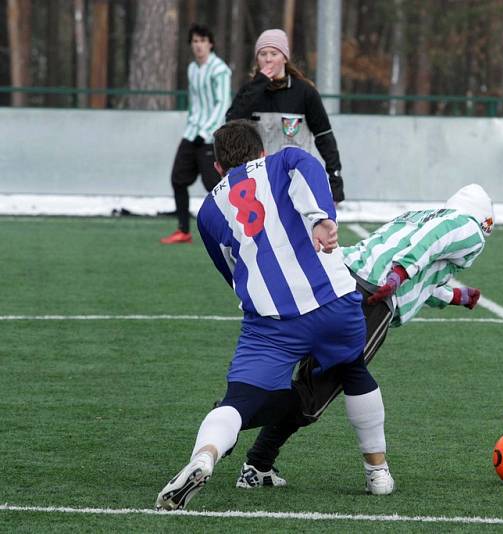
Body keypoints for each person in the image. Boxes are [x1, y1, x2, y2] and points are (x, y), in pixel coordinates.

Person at [155, 120, 393, 511]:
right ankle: (378, 474)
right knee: (353, 369)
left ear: (217, 168)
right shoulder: (285, 160)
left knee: (239, 399)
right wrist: (321, 218)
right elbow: (310, 168)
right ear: (261, 151)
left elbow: (230, 270)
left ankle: (205, 457)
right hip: (332, 303)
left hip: (271, 322)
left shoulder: (210, 209)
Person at [232, 184, 494, 489]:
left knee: (304, 379)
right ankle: (234, 416)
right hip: (367, 296)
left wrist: (454, 297)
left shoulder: (416, 216)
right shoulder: (469, 227)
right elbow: (428, 247)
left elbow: (422, 272)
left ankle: (257, 462)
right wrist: (400, 273)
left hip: (333, 276)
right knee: (314, 396)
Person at [225, 29, 345, 203]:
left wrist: (335, 181)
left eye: (274, 53)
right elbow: (231, 124)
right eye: (262, 54)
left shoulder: (305, 92)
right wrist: (259, 84)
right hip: (259, 182)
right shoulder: (249, 92)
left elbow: (325, 138)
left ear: (285, 58)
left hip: (295, 181)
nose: (268, 59)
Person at [160, 24, 232, 245]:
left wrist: (208, 131)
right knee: (177, 178)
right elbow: (195, 103)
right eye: (195, 41)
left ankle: (232, 229)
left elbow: (223, 104)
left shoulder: (220, 69)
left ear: (210, 43)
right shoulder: (192, 69)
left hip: (210, 136)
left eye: (202, 40)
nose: (199, 45)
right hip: (192, 133)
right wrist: (192, 126)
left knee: (215, 185)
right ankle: (183, 230)